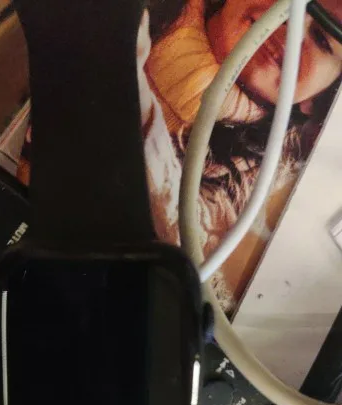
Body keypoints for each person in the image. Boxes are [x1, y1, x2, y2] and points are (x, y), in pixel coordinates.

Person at [139, 0, 342, 311]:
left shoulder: (254, 194)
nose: (292, 26)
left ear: (317, 101)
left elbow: (177, 246)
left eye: (322, 39)